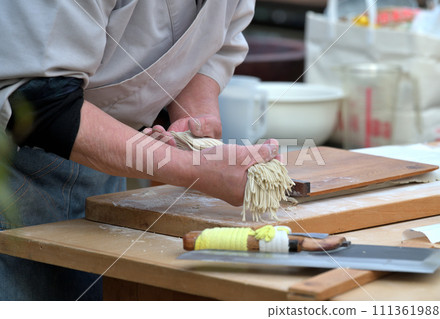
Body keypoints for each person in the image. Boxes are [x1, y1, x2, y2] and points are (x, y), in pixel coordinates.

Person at [0, 1, 280, 300]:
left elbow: (211, 42)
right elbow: (36, 100)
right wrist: (191, 169)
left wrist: (195, 117)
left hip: (107, 169)